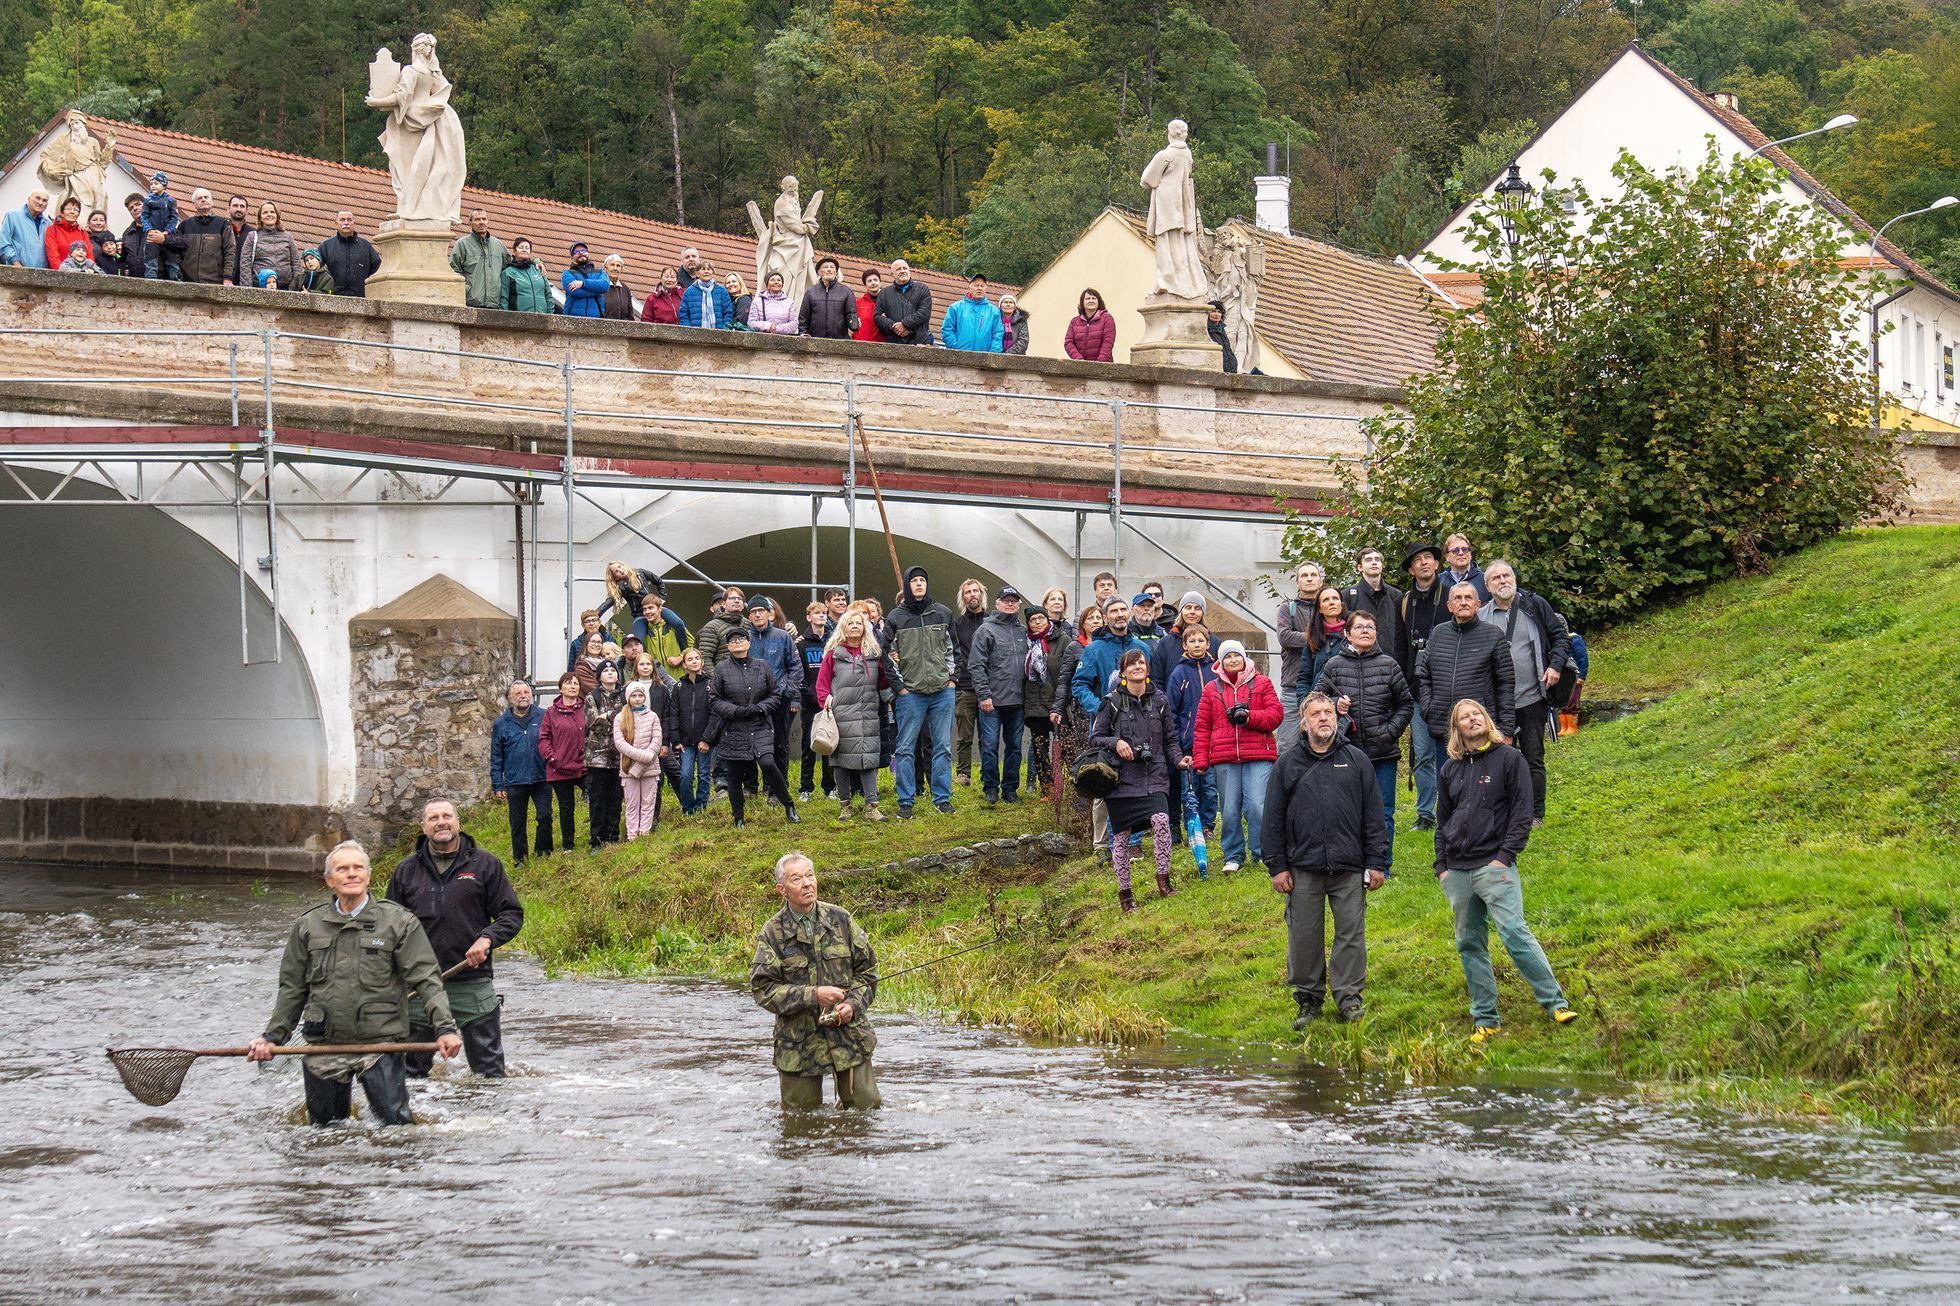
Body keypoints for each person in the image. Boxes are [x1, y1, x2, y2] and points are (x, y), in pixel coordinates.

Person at [247, 840, 460, 1125]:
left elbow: (427, 980)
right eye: (343, 869)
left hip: (381, 1044)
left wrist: (445, 1029)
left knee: (396, 1129)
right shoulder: (308, 926)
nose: (351, 874)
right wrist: (272, 1038)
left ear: (368, 876)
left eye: (358, 868)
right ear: (329, 880)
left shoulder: (398, 922)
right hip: (324, 1046)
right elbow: (292, 989)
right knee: (324, 1133)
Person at [1435, 698, 1577, 1035]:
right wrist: (1441, 866)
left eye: (1476, 714)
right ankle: (1486, 1020)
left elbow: (1521, 813)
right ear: (1457, 729)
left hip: (1494, 866)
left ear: (1486, 720)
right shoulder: (1449, 769)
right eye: (1464, 717)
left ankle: (1556, 1004)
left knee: (1514, 932)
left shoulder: (1510, 759)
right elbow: (1442, 822)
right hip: (1456, 870)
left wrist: (1505, 856)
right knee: (1469, 944)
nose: (1472, 720)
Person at [1261, 694, 1389, 1027]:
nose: (1323, 718)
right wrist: (1277, 866)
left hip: (1349, 866)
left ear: (1337, 718)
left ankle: (1348, 999)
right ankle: (1308, 1001)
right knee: (1304, 937)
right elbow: (1272, 818)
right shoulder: (1287, 763)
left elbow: (1374, 816)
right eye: (1315, 713)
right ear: (1304, 722)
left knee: (1351, 935)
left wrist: (1377, 862)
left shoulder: (1357, 760)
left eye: (1328, 712)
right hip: (1303, 867)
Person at [389, 799, 525, 1078]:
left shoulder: (486, 864)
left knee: (489, 1075)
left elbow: (511, 914)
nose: (441, 822)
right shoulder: (406, 870)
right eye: (434, 817)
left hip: (472, 982)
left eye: (447, 816)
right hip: (419, 988)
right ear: (423, 826)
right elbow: (389, 927)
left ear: (457, 821)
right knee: (411, 1077)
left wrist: (487, 939)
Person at [751, 851, 880, 1108]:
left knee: (866, 1112)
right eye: (797, 879)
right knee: (799, 1123)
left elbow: (868, 971)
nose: (807, 883)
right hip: (798, 1044)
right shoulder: (772, 933)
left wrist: (853, 1006)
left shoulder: (841, 919)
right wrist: (813, 995)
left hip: (848, 1036)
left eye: (810, 876)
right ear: (782, 889)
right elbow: (763, 989)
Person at [1313, 610, 1415, 874]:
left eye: (1370, 627)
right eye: (1359, 627)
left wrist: (1390, 731)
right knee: (1349, 812)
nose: (1365, 631)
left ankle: (1382, 865)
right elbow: (1315, 701)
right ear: (1347, 633)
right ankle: (1353, 864)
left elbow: (1405, 704)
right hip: (1347, 751)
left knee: (1383, 812)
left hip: (1383, 752)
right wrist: (1336, 704)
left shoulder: (1389, 665)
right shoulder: (1334, 665)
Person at [1090, 649, 1186, 911]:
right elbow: (1095, 738)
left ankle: (1164, 881)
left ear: (1147, 668)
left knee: (1162, 821)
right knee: (1120, 837)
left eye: (1141, 663)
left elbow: (1170, 740)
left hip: (1154, 774)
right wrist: (1116, 741)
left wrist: (1178, 759)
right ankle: (1125, 894)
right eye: (1131, 664)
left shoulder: (1160, 701)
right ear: (1122, 672)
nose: (1137, 667)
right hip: (1121, 779)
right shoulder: (1110, 702)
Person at [1479, 560, 1573, 826]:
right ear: (1487, 586)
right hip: (1497, 702)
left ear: (1515, 578)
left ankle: (1534, 814)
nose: (1502, 581)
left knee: (1533, 758)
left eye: (1506, 575)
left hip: (1532, 697)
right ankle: (1505, 813)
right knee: (1498, 761)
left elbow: (1560, 637)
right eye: (1495, 578)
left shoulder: (1535, 605)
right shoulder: (1482, 615)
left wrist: (1554, 666)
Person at [1192, 639, 1283, 872]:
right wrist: (1201, 758)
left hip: (1258, 755)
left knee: (1257, 805)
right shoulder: (1211, 689)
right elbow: (1203, 726)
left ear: (1244, 658)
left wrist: (1249, 716)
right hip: (1224, 757)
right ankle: (1233, 855)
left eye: (1237, 656)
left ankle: (1262, 852)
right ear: (1221, 662)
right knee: (1230, 809)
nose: (1233, 660)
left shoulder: (1262, 683)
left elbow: (1275, 715)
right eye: (1227, 657)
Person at [816, 607, 900, 821]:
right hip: (841, 714)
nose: (855, 626)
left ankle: (872, 807)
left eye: (859, 623)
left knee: (869, 760)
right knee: (841, 761)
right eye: (851, 623)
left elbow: (883, 682)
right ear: (844, 627)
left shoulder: (874, 654)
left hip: (869, 714)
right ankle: (845, 806)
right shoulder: (833, 654)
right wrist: (826, 703)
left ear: (865, 627)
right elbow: (822, 684)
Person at [710, 626, 799, 826]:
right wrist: (735, 711)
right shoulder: (721, 669)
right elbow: (715, 699)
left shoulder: (762, 666)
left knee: (768, 763)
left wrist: (760, 708)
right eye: (732, 641)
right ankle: (738, 817)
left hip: (760, 724)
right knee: (734, 774)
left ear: (749, 643)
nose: (737, 643)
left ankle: (789, 804)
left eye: (741, 639)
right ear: (727, 646)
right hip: (734, 728)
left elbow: (774, 694)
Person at [1416, 583, 1516, 761]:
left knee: (1482, 785)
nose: (1463, 602)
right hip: (1444, 727)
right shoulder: (1438, 633)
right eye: (1458, 598)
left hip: (1480, 728)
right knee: (1447, 784)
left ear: (1477, 604)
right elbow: (1425, 677)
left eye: (1468, 598)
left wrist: (1506, 728)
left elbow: (1505, 683)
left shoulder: (1493, 635)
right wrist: (1428, 709)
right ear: (1449, 606)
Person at [887, 565, 957, 818]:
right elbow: (884, 654)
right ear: (907, 585)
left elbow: (954, 649)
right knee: (905, 748)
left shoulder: (944, 613)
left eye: (922, 580)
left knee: (942, 747)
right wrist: (900, 687)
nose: (919, 584)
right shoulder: (895, 617)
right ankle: (906, 801)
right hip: (911, 693)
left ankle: (942, 798)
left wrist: (952, 679)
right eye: (914, 580)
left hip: (942, 691)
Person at [1399, 543, 1448, 830]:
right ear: (1411, 569)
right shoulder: (1406, 601)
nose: (1424, 563)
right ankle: (1425, 813)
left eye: (1429, 558)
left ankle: (1449, 808)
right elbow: (1402, 646)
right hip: (1416, 688)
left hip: (1446, 688)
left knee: (1448, 752)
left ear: (1437, 564)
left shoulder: (1451, 596)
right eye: (1418, 560)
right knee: (1422, 753)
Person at [968, 585, 1030, 804]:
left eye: (1014, 600)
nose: (1010, 603)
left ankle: (1010, 789)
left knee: (1014, 747)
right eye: (1006, 600)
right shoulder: (986, 630)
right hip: (992, 701)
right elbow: (976, 665)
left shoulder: (1024, 631)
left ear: (1019, 604)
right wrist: (984, 695)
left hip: (1018, 701)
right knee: (990, 746)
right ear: (997, 604)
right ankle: (991, 787)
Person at [1164, 623, 1220, 849]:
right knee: (1191, 788)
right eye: (1192, 641)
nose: (1197, 645)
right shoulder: (1179, 673)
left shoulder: (1216, 670)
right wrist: (1178, 740)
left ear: (1208, 643)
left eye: (1201, 641)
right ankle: (1192, 826)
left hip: (1214, 740)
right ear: (1184, 645)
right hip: (1188, 742)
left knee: (1209, 786)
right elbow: (1172, 710)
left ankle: (1208, 825)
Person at [489, 678, 552, 861]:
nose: (523, 696)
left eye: (526, 693)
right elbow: (496, 756)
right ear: (510, 699)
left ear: (531, 695)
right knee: (517, 823)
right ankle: (520, 859)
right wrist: (497, 784)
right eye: (518, 694)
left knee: (545, 817)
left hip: (542, 777)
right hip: (515, 780)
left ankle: (543, 853)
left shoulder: (544, 716)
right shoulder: (501, 723)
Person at [742, 595, 803, 780]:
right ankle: (751, 786)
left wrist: (791, 695)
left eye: (761, 611)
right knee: (749, 743)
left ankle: (778, 786)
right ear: (749, 616)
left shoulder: (783, 636)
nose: (758, 615)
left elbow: (795, 667)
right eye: (753, 612)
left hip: (779, 698)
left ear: (770, 614)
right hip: (751, 700)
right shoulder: (744, 638)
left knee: (779, 743)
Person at [537, 673, 588, 852]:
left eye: (576, 684)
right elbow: (543, 738)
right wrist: (552, 758)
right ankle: (568, 845)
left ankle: (599, 837)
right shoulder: (551, 713)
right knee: (566, 808)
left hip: (584, 766)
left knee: (597, 799)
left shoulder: (586, 708)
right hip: (559, 768)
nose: (573, 686)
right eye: (568, 683)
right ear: (561, 688)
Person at [950, 579, 989, 787]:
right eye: (968, 592)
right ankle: (963, 773)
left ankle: (987, 771)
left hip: (988, 689)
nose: (972, 594)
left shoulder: (992, 622)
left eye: (975, 591)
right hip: (964, 687)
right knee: (964, 736)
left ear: (982, 594)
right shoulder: (956, 625)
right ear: (963, 597)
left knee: (988, 735)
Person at [614, 682, 664, 838]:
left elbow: (656, 741)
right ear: (628, 697)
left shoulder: (653, 716)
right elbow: (620, 743)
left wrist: (648, 756)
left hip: (650, 768)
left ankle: (644, 833)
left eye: (640, 695)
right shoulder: (620, 717)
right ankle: (632, 835)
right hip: (629, 767)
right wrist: (643, 757)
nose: (637, 699)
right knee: (632, 803)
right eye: (633, 695)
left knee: (648, 802)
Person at [583, 661, 625, 845]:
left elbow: (629, 721)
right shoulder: (592, 697)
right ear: (599, 676)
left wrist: (607, 715)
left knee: (616, 799)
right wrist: (616, 719)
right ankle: (597, 840)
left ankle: (613, 837)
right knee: (598, 800)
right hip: (597, 758)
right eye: (605, 671)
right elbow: (594, 724)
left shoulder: (625, 696)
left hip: (619, 757)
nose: (609, 673)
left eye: (612, 670)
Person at [795, 603, 834, 802]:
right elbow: (798, 672)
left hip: (829, 701)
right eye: (817, 613)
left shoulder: (833, 642)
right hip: (810, 702)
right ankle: (806, 787)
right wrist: (805, 693)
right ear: (809, 617)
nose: (821, 616)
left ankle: (830, 787)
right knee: (808, 745)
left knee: (829, 743)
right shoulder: (801, 645)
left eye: (824, 613)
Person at [1147, 591, 1219, 694]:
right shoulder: (1166, 643)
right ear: (1181, 611)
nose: (1192, 612)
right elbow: (1156, 678)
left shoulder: (1215, 643)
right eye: (1188, 607)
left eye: (1197, 608)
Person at [671, 648, 715, 813]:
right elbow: (674, 714)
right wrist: (675, 740)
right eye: (690, 659)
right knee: (686, 775)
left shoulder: (711, 684)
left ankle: (702, 805)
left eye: (697, 658)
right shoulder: (679, 687)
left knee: (704, 774)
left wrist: (708, 738)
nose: (694, 661)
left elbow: (715, 713)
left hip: (705, 740)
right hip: (685, 742)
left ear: (702, 662)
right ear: (684, 664)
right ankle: (688, 807)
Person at [1022, 605, 1061, 794]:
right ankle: (1046, 786)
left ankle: (1065, 784)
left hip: (1056, 700)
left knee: (1062, 746)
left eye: (1041, 618)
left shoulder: (1061, 640)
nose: (1037, 622)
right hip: (1034, 702)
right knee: (1039, 746)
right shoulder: (1025, 643)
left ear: (1048, 619)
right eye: (1033, 620)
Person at [1343, 548, 1404, 661]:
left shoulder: (1396, 595)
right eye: (1369, 560)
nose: (1374, 562)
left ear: (1382, 565)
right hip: (1359, 663)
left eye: (1377, 559)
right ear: (1359, 567)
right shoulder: (1348, 596)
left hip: (1392, 662)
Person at [449, 208, 510, 309]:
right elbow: (453, 271)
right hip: (470, 304)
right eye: (477, 219)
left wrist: (536, 262)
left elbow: (512, 267)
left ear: (488, 222)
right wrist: (466, 290)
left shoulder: (498, 245)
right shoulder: (462, 244)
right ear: (470, 223)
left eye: (484, 219)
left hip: (495, 306)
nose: (481, 222)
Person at [175, 188, 235, 286]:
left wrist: (227, 278)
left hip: (215, 282)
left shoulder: (223, 224)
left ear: (212, 202)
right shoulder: (184, 225)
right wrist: (180, 272)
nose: (203, 199)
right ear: (194, 204)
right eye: (199, 198)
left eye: (206, 197)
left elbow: (230, 252)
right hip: (187, 282)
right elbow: (176, 252)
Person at [242, 201, 302, 292]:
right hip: (260, 287)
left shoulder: (288, 237)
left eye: (272, 212)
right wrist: (248, 290)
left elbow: (296, 263)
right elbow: (245, 264)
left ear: (277, 216)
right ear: (260, 218)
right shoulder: (252, 237)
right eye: (265, 212)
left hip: (285, 288)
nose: (269, 214)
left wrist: (296, 287)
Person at [318, 211, 380, 297]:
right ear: (336, 224)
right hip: (331, 297)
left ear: (354, 223)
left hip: (360, 298)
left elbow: (377, 268)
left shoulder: (365, 246)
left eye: (349, 220)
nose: (346, 223)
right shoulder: (326, 246)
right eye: (342, 220)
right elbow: (317, 270)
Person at [874, 258, 933, 344]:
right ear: (892, 274)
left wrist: (904, 324)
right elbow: (877, 316)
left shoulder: (923, 289)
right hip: (894, 344)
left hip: (920, 343)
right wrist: (893, 326)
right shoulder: (884, 294)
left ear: (909, 270)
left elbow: (924, 313)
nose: (902, 271)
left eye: (905, 268)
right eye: (898, 269)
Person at [799, 256, 859, 339]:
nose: (829, 269)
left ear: (836, 272)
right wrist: (803, 334)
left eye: (832, 267)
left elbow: (852, 315)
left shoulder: (846, 292)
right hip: (815, 342)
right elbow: (803, 319)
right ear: (819, 272)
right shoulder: (810, 292)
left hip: (840, 342)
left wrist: (854, 324)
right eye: (825, 267)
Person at [941, 274, 1004, 352]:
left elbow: (998, 334)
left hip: (985, 358)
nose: (979, 288)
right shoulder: (955, 308)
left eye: (982, 286)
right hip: (959, 356)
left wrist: (993, 354)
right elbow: (947, 330)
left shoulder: (994, 311)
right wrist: (955, 348)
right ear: (969, 288)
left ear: (986, 289)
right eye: (976, 285)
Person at [137, 172, 181, 279]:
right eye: (151, 184)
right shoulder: (148, 200)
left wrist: (167, 231)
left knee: (171, 258)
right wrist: (149, 230)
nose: (153, 186)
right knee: (151, 258)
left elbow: (174, 217)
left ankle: (175, 277)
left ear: (164, 185)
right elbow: (144, 217)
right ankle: (150, 278)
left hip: (167, 235)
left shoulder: (171, 201)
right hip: (152, 234)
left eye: (156, 183)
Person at [1305, 585, 1349, 687]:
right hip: (1320, 698)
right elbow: (1305, 675)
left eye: (1335, 598)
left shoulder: (1354, 631)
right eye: (1326, 600)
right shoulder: (1313, 635)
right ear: (1320, 609)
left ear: (1341, 605)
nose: (1331, 602)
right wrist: (1304, 700)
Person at [637, 594, 690, 678]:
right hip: (657, 680)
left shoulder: (674, 626)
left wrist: (680, 657)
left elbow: (693, 646)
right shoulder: (644, 632)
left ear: (660, 608)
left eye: (651, 608)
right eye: (645, 609)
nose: (647, 612)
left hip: (679, 678)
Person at [695, 585, 748, 667]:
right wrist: (716, 679)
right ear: (723, 603)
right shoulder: (711, 627)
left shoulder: (749, 624)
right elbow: (705, 658)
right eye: (732, 598)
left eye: (740, 599)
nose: (737, 601)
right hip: (722, 676)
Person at [1, 190, 53, 268]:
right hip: (17, 272)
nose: (41, 202)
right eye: (37, 198)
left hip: (42, 275)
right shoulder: (12, 216)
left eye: (44, 200)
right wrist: (15, 262)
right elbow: (3, 242)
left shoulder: (48, 224)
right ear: (29, 199)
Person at [501, 238, 555, 312]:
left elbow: (548, 295)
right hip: (518, 319)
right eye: (521, 247)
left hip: (542, 318)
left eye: (527, 248)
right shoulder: (508, 272)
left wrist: (549, 315)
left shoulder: (538, 269)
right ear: (514, 251)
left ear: (530, 252)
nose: (524, 250)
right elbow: (503, 298)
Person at [1064, 289, 1115, 361]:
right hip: (1080, 367)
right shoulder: (1074, 321)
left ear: (1098, 302)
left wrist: (1100, 361)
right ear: (1082, 302)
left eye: (1094, 298)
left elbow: (1108, 341)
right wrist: (1078, 359)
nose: (1091, 301)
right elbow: (1068, 342)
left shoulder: (1107, 318)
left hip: (1102, 366)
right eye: (1088, 298)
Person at [43, 196, 91, 271]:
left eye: (76, 210)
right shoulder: (52, 229)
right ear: (62, 213)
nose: (72, 212)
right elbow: (53, 256)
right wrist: (64, 272)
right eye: (68, 209)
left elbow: (89, 255)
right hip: (60, 275)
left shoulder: (82, 232)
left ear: (78, 214)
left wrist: (88, 272)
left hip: (82, 275)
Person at [562, 244, 610, 317]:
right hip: (572, 320)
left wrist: (583, 284)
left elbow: (605, 285)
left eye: (583, 250)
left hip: (597, 320)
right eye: (577, 251)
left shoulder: (600, 272)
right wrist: (598, 290)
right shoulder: (567, 273)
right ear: (572, 258)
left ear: (588, 254)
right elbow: (575, 292)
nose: (581, 253)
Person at [747, 269, 798, 334]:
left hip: (783, 341)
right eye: (772, 280)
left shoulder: (789, 303)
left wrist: (777, 329)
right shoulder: (757, 301)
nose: (776, 282)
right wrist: (768, 326)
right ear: (767, 285)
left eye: (779, 280)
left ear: (782, 284)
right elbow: (751, 323)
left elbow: (794, 324)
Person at [1444, 533, 1490, 602]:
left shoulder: (1485, 580)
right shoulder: (1439, 581)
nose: (1461, 553)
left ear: (1470, 554)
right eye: (1455, 550)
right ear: (1447, 557)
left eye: (1464, 549)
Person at [1206, 301, 1238, 373]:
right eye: (1213, 311)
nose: (1216, 314)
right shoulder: (1206, 329)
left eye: (1219, 312)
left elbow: (1227, 350)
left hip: (1229, 370)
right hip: (1216, 370)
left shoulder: (1222, 329)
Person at [853, 268, 884, 342]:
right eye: (869, 281)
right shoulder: (857, 303)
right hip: (859, 344)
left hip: (881, 346)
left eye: (875, 280)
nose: (873, 283)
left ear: (880, 282)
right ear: (865, 285)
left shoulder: (887, 302)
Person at [601, 255, 636, 320]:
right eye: (612, 265)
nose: (615, 268)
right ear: (605, 268)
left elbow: (630, 314)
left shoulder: (625, 289)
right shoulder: (600, 286)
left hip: (622, 328)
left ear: (621, 270)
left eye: (618, 266)